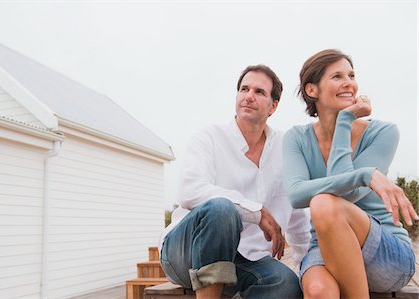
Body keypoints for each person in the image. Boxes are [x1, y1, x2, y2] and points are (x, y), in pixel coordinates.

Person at [159, 64, 311, 299]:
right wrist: (256, 213)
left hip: (245, 259)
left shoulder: (285, 148)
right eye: (244, 89)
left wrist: (306, 268)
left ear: (273, 106)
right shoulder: (209, 138)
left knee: (286, 284)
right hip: (185, 252)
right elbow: (189, 191)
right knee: (222, 208)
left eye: (259, 92)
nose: (248, 96)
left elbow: (298, 213)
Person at [283, 49, 418, 298]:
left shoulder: (384, 133)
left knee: (324, 202)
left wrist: (344, 121)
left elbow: (349, 196)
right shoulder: (297, 138)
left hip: (386, 251)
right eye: (337, 76)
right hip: (323, 248)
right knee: (317, 290)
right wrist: (365, 174)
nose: (349, 83)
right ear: (312, 90)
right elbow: (295, 194)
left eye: (351, 75)